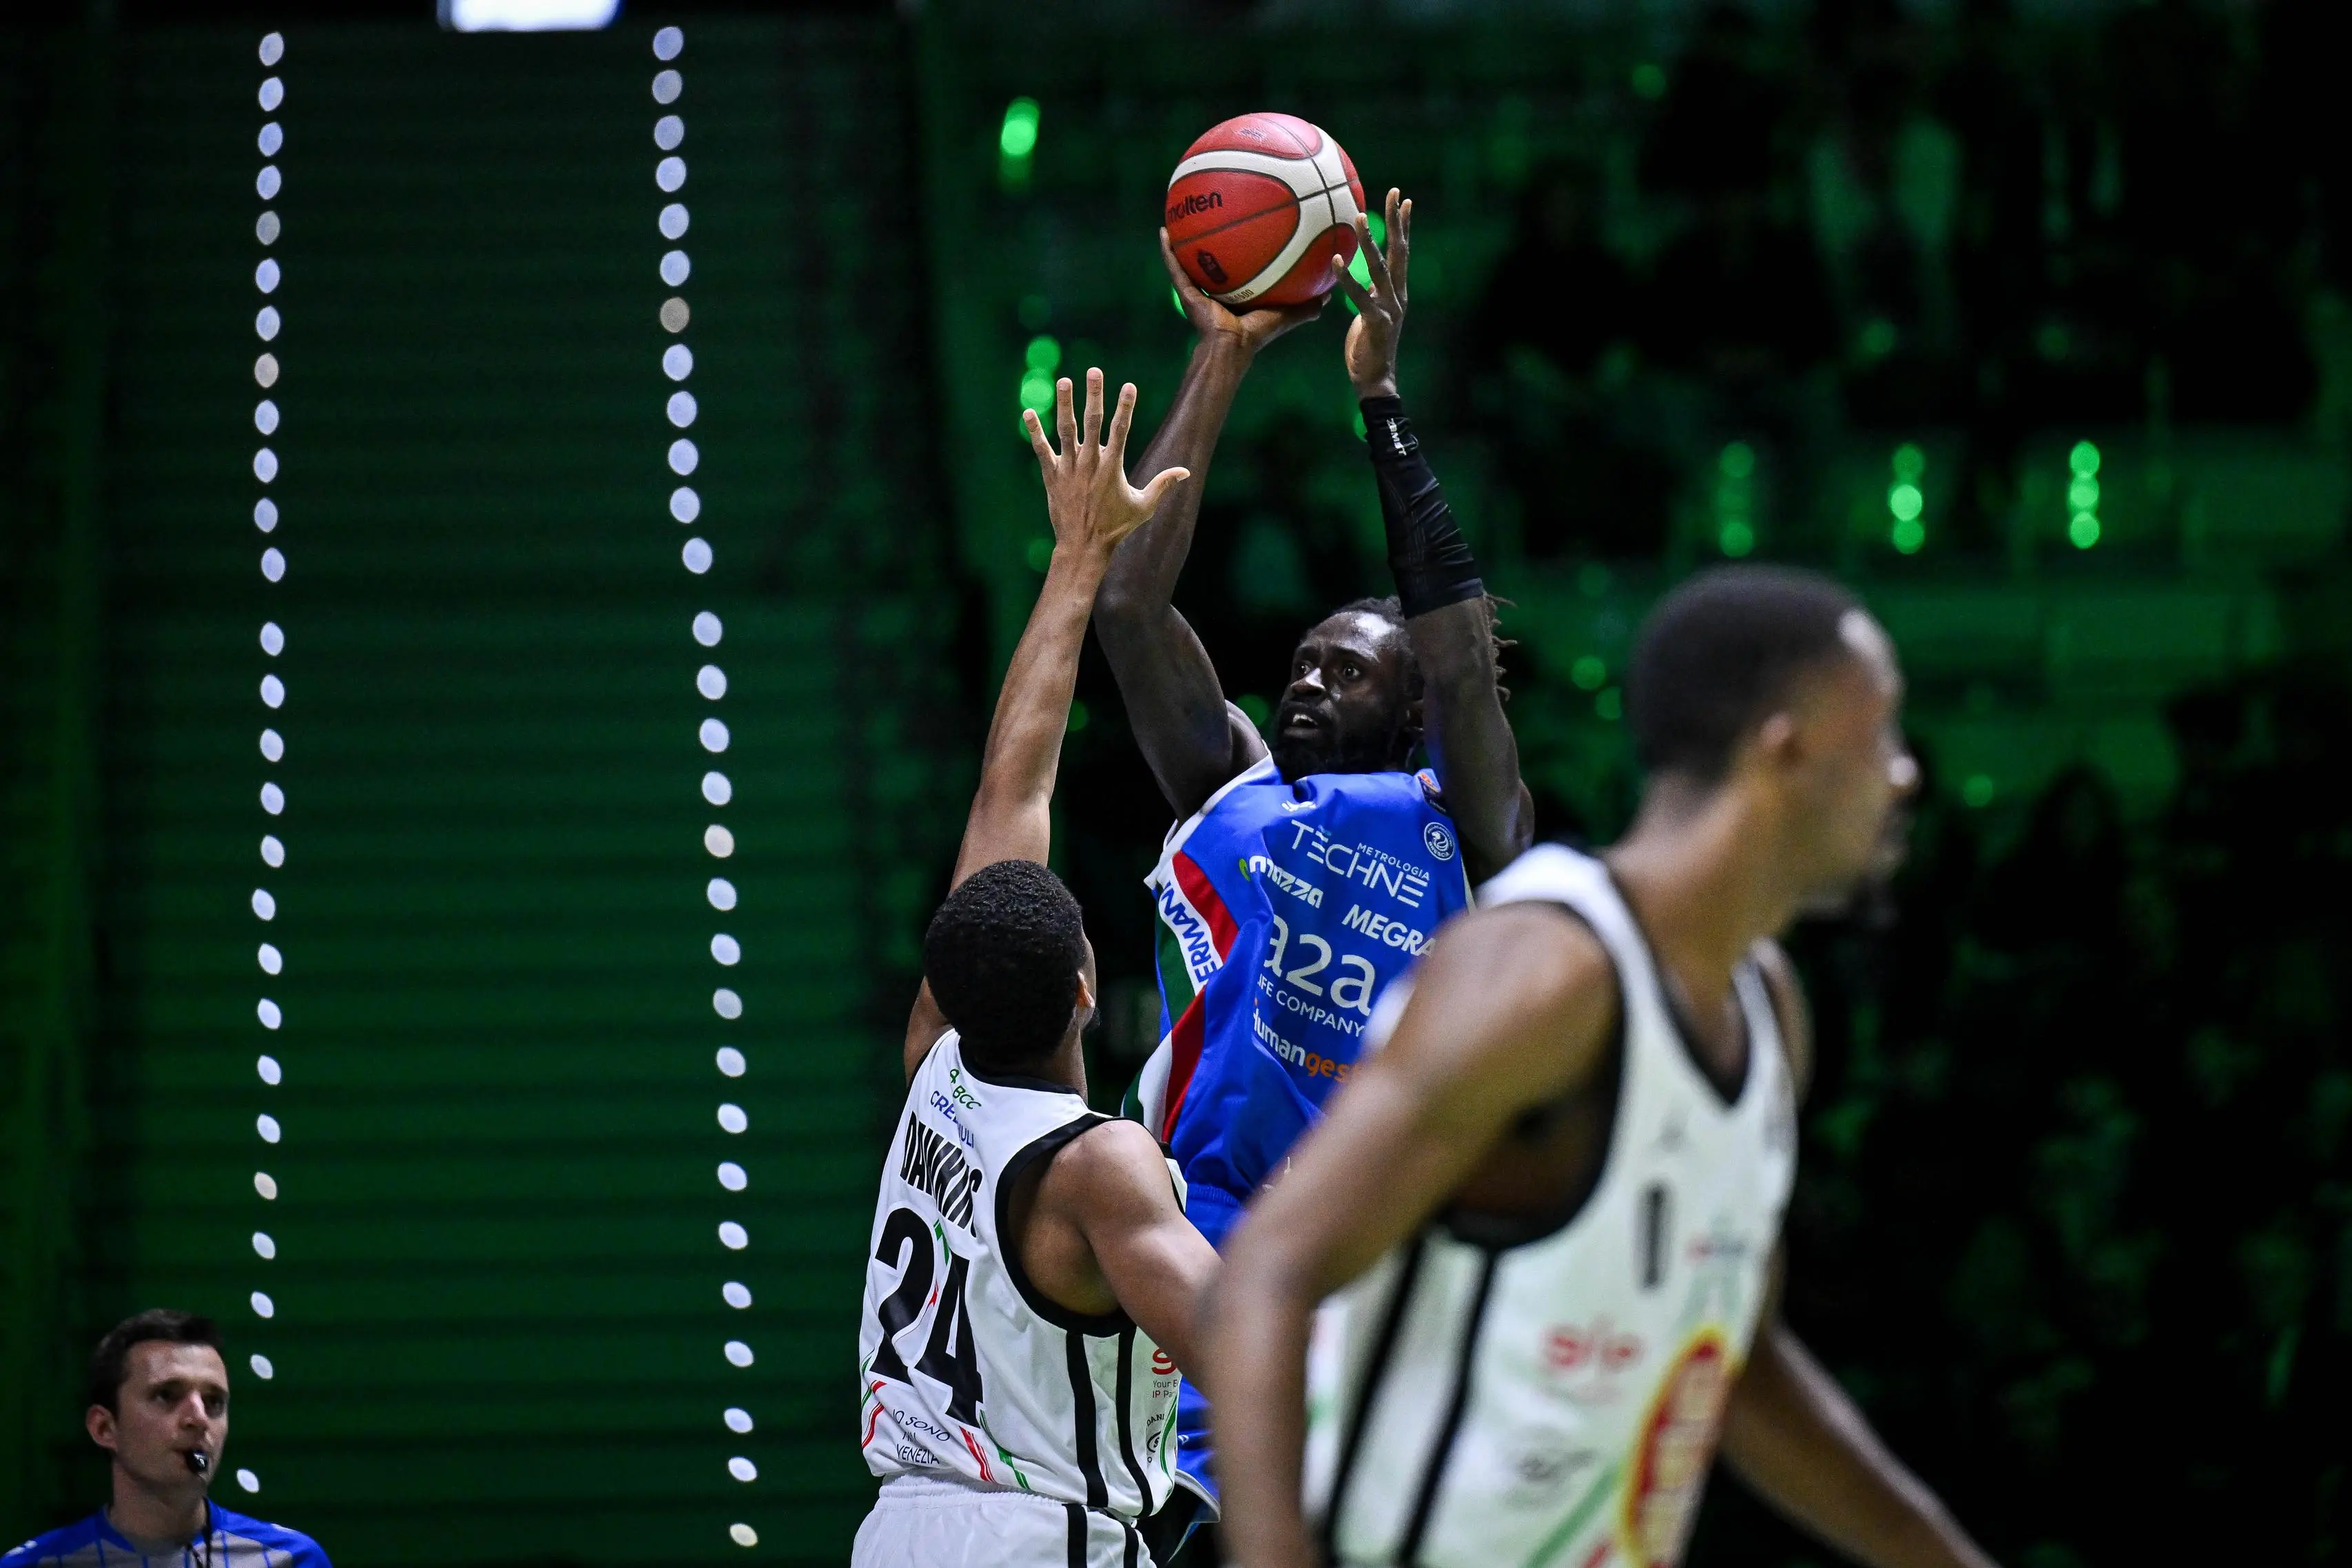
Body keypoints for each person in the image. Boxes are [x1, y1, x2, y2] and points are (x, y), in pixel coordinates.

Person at [1206, 568, 2003, 1568]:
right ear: (1785, 749)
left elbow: (1732, 1367)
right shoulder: (1547, 970)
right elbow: (1262, 1278)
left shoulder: (1767, 1007)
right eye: (1881, 733)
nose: (1904, 774)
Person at [1100, 191, 1533, 1525]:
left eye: (1344, 672)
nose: (1304, 681)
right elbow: (1129, 604)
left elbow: (1458, 651)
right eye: (1299, 662)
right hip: (1195, 1248)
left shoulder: (1466, 822)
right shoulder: (1230, 787)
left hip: (1376, 1269)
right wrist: (1222, 353)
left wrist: (1379, 404)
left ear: (1407, 714)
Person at [853, 369, 1220, 1567]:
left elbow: (1010, 791)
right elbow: (1245, 1345)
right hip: (1032, 1540)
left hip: (895, 1531)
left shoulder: (936, 1072)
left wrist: (1075, 560)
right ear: (1084, 989)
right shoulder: (1098, 1168)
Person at [3, 1310, 331, 1567]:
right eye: (166, 1395)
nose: (199, 1419)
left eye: (214, 1401)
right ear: (104, 1428)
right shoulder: (33, 1564)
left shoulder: (292, 1560)